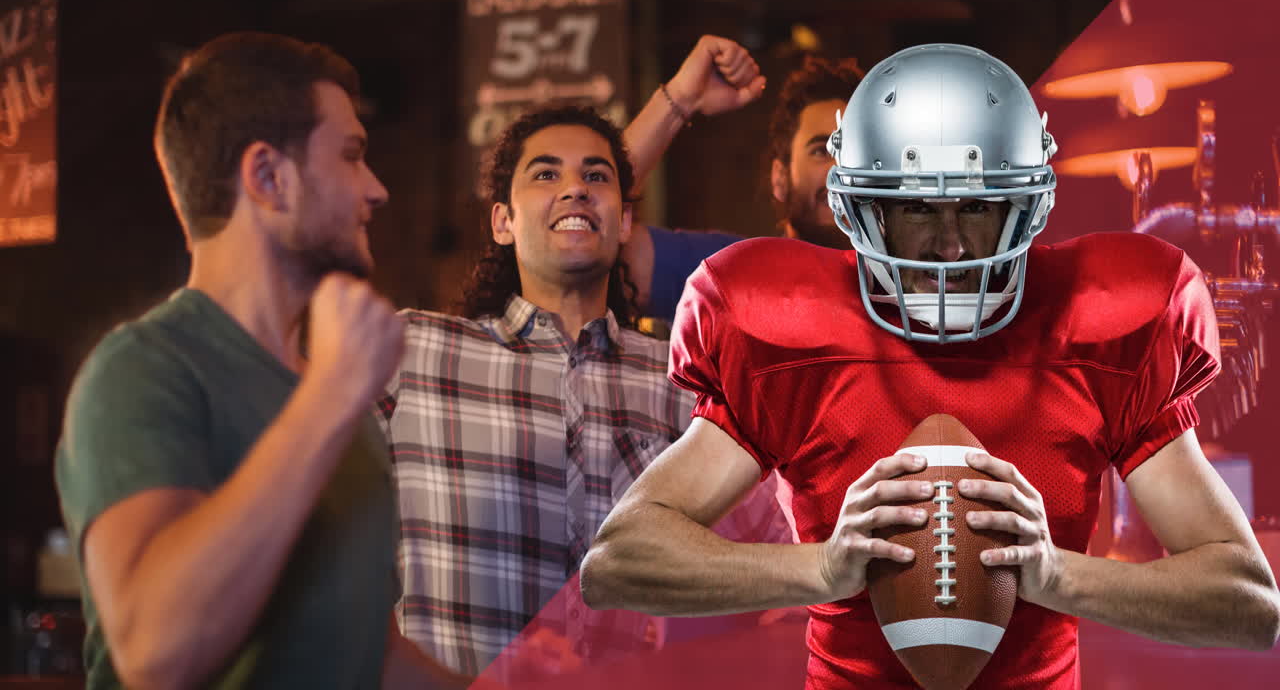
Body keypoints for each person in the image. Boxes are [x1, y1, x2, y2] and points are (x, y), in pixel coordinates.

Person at [580, 43, 1280, 689]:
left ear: (1026, 205)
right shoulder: (788, 328)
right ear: (860, 212)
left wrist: (1054, 575)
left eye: (976, 206)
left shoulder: (1100, 322)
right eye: (916, 206)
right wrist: (821, 567)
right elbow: (620, 561)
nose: (949, 246)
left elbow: (1248, 602)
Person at [54, 32, 462, 689]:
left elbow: (370, 657)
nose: (378, 189)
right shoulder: (142, 369)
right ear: (269, 177)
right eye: (352, 156)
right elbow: (157, 654)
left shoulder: (337, 399)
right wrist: (330, 396)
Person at [378, 104, 792, 680]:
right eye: (546, 174)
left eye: (596, 176)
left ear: (623, 222)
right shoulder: (411, 352)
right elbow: (317, 534)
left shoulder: (686, 379)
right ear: (502, 221)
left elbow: (781, 563)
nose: (575, 189)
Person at [620, 43, 863, 320]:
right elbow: (600, 234)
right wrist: (681, 98)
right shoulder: (726, 274)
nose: (840, 169)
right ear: (779, 178)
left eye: (855, 151)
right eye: (822, 150)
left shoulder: (909, 284)